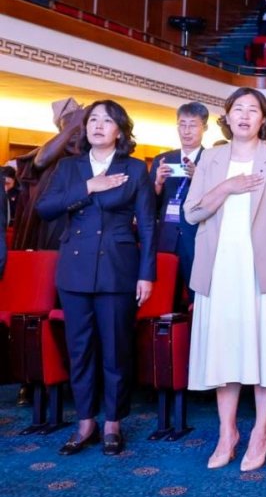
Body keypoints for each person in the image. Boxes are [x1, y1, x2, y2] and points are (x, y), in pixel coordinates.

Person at [184, 88, 266, 472]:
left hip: (264, 268)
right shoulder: (212, 158)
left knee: (265, 350)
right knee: (224, 351)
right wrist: (227, 187)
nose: (245, 115)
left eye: (253, 110)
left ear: (263, 119)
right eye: (238, 109)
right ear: (227, 116)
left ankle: (260, 432)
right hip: (219, 268)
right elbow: (191, 212)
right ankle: (227, 432)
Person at [36, 100, 155, 457]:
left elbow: (147, 226)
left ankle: (113, 422)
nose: (98, 126)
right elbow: (45, 209)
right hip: (75, 269)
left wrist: (146, 274)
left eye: (106, 120)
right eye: (92, 120)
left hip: (118, 268)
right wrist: (88, 186)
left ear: (120, 130)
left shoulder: (135, 168)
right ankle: (85, 421)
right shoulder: (69, 168)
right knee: (80, 349)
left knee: (116, 349)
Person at [150, 102, 209, 307]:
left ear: (204, 127)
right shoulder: (163, 159)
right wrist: (158, 183)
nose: (186, 130)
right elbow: (150, 205)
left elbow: (216, 201)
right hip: (166, 237)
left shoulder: (211, 160)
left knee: (197, 298)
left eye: (192, 125)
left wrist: (199, 179)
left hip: (196, 237)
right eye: (182, 124)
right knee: (164, 298)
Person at [12, 98, 83, 251]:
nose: (75, 132)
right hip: (49, 223)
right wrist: (72, 125)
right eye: (69, 127)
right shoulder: (50, 153)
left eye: (79, 127)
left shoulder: (91, 155)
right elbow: (41, 161)